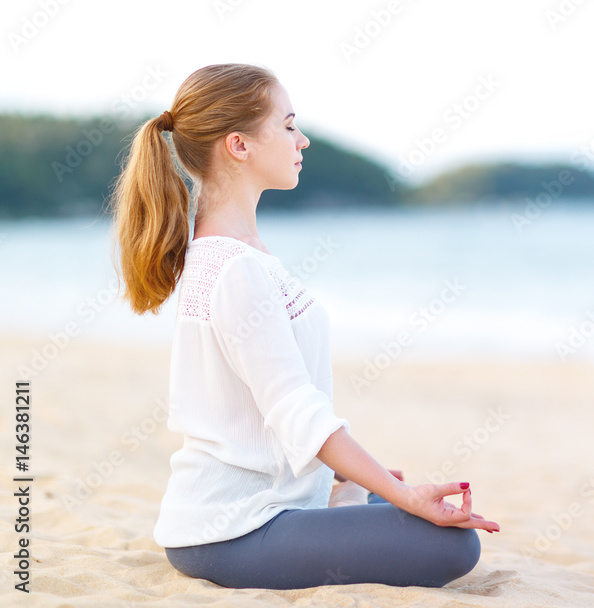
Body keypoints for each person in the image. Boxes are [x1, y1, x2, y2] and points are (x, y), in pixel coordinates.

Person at [109, 63, 499, 590]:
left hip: (234, 516)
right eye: (289, 125)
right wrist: (392, 492)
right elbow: (295, 408)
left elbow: (255, 403)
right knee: (450, 541)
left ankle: (346, 495)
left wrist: (353, 477)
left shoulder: (232, 255)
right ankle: (350, 499)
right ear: (239, 146)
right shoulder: (235, 268)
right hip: (235, 531)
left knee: (392, 491)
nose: (303, 139)